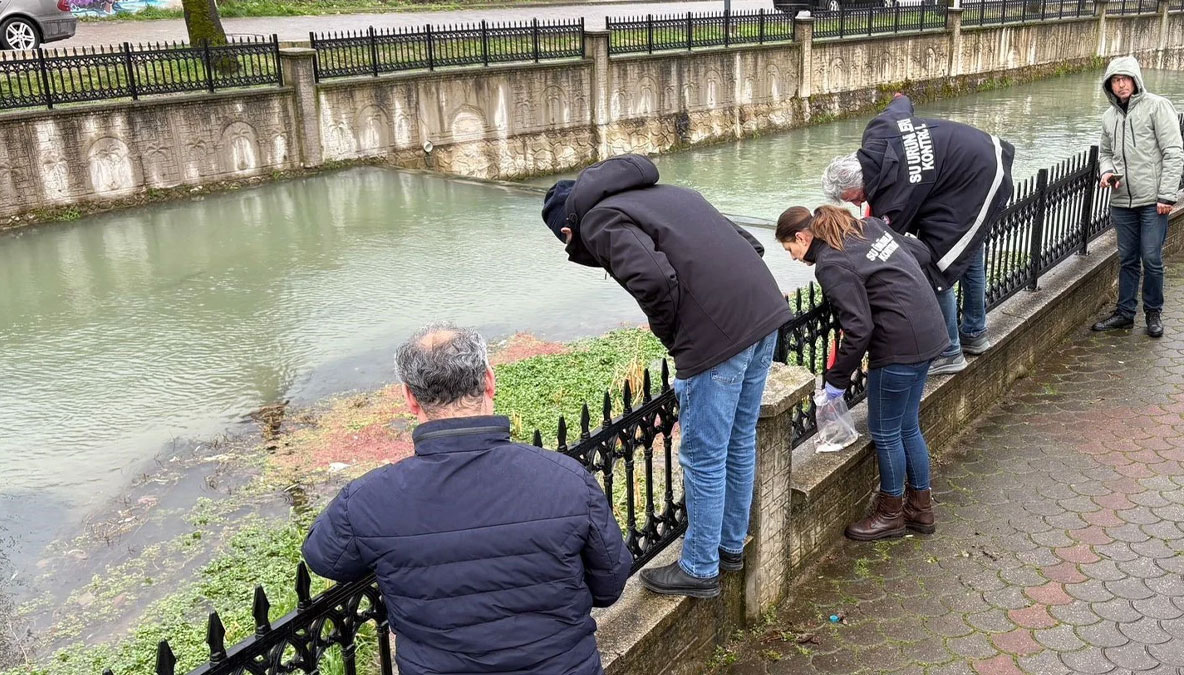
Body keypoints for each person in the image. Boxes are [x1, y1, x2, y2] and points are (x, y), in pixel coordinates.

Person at [302, 323, 631, 675]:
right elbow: (610, 584)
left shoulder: (369, 499)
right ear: (489, 381)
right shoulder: (567, 480)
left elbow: (323, 557)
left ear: (411, 398)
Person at [540, 154, 793, 598]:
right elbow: (749, 245)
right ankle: (730, 546)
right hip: (764, 314)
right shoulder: (670, 195)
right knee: (738, 440)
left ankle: (699, 568)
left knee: (704, 456)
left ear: (568, 230)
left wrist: (676, 334)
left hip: (717, 339)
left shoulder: (598, 221)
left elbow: (654, 281)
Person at [776, 205, 949, 540]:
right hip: (929, 332)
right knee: (908, 426)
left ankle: (891, 515)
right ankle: (920, 509)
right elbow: (920, 253)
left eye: (790, 250)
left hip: (898, 346)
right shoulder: (866, 226)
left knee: (885, 432)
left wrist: (835, 384)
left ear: (802, 237)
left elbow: (859, 328)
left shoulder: (831, 263)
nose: (794, 258)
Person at [822, 93, 1015, 377]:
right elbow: (901, 104)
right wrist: (901, 97)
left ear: (859, 183)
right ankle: (974, 332)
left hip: (979, 177)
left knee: (936, 266)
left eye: (855, 198)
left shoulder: (894, 200)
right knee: (968, 249)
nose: (856, 204)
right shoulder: (878, 131)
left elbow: (889, 245)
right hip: (977, 153)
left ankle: (950, 352)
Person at [1092, 56, 1184, 338]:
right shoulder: (1109, 117)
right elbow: (1105, 153)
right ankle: (1124, 313)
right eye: (1115, 81)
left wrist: (1167, 195)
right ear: (1110, 85)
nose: (1120, 85)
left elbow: (1173, 151)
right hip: (1122, 201)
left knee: (1152, 258)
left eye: (1124, 79)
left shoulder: (1157, 106)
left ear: (1135, 80)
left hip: (1152, 201)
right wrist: (1107, 172)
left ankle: (1153, 312)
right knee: (1127, 259)